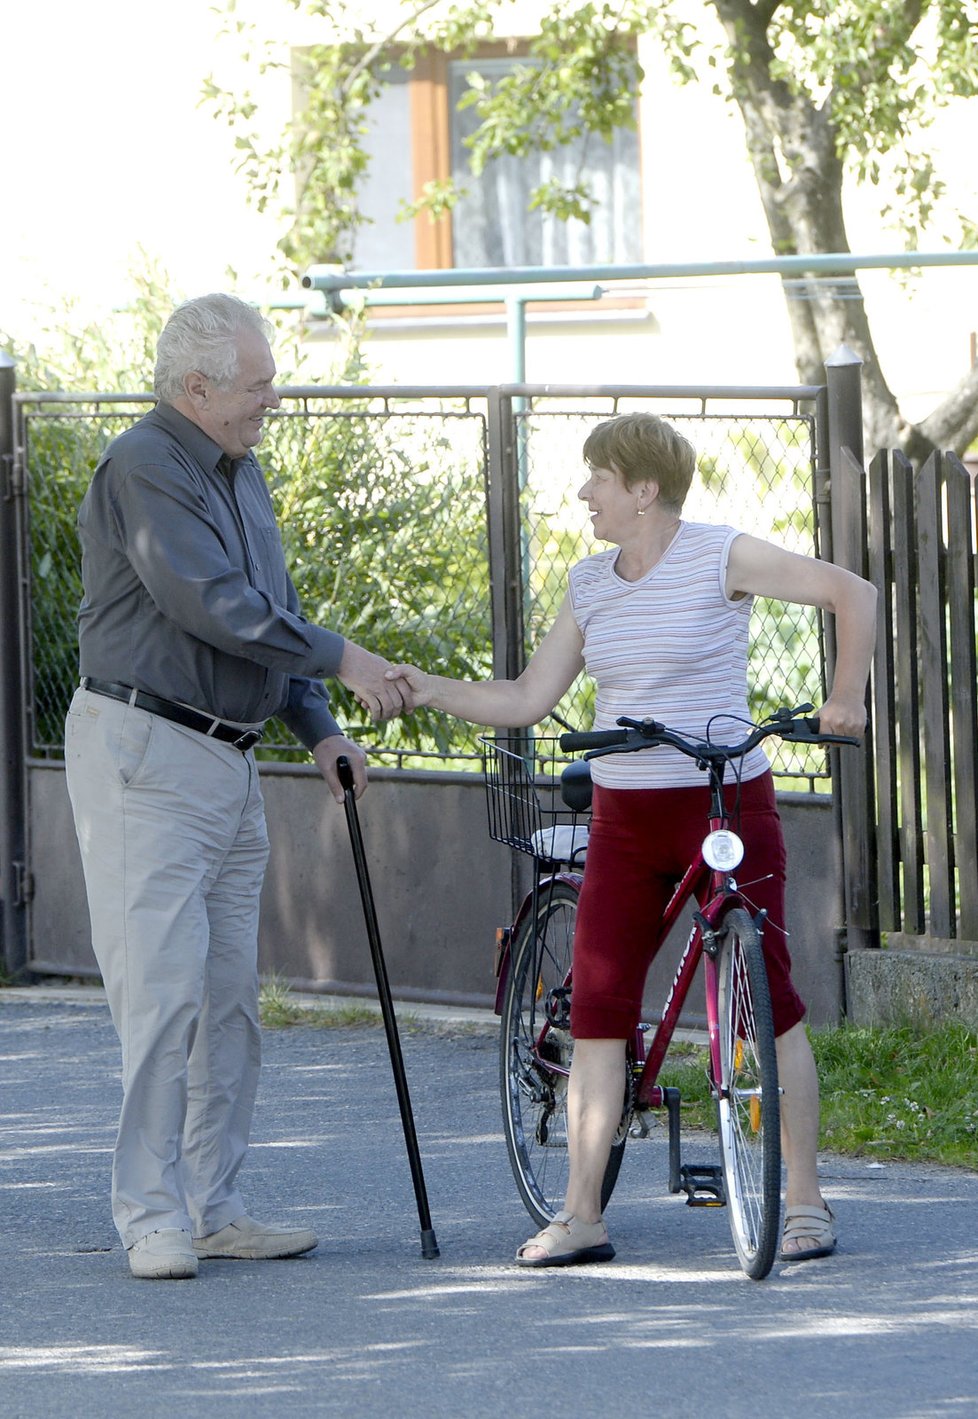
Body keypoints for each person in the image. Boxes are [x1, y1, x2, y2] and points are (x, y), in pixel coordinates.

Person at [388, 412, 877, 1268]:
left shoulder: (720, 554)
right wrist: (428, 688)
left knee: (775, 998)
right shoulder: (589, 584)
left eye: (598, 478)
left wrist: (846, 694)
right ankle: (582, 1214)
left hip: (725, 803)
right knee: (602, 1011)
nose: (585, 494)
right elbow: (525, 698)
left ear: (643, 489)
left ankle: (803, 1200)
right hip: (626, 817)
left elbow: (854, 592)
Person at [64, 293, 411, 1280]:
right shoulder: (143, 466)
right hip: (146, 751)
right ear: (197, 386)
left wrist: (319, 726)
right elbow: (207, 604)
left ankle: (215, 1206)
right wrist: (345, 657)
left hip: (227, 756)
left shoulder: (239, 469)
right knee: (163, 995)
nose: (274, 396)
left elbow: (269, 610)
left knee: (228, 1009)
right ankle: (150, 1216)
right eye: (257, 383)